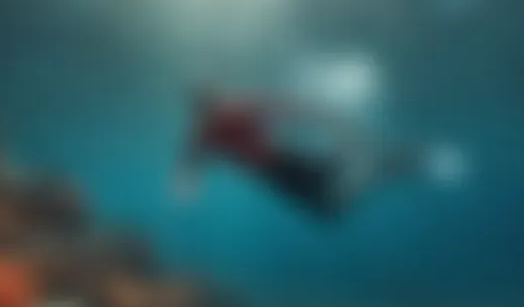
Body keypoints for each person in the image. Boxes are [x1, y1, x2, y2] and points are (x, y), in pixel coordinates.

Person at [174, 84, 427, 219]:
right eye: (208, 110)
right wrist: (188, 184)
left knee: (330, 202)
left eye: (213, 107)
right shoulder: (207, 130)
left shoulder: (237, 110)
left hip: (283, 163)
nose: (215, 114)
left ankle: (394, 162)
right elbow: (192, 158)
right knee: (330, 202)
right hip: (276, 169)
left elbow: (290, 107)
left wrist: (327, 117)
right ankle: (387, 163)